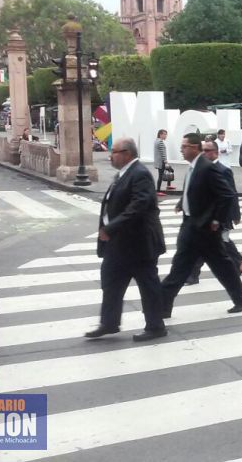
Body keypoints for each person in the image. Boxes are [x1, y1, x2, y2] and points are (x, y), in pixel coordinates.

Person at [161, 133, 242, 315]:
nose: (181, 149)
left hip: (202, 229)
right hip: (192, 226)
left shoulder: (206, 168)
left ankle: (160, 307)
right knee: (218, 266)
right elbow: (195, 193)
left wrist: (216, 219)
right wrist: (183, 204)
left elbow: (227, 195)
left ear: (195, 148)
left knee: (183, 268)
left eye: (185, 146)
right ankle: (241, 298)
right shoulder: (193, 167)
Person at [86, 137, 167, 341]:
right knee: (111, 281)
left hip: (139, 244)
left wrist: (111, 227)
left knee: (148, 285)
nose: (110, 155)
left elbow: (138, 206)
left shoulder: (139, 174)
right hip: (120, 243)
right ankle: (109, 322)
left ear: (127, 154)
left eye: (115, 151)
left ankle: (156, 326)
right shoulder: (123, 174)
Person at [185, 140, 242, 285]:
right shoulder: (201, 169)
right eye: (202, 150)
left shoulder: (224, 170)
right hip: (206, 217)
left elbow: (231, 194)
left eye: (207, 150)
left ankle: (193, 275)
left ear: (215, 152)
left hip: (219, 217)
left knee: (214, 245)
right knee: (217, 244)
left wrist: (235, 214)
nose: (204, 153)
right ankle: (238, 263)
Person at [154, 129, 171, 197]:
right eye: (165, 134)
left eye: (166, 134)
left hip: (159, 161)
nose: (166, 136)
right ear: (160, 134)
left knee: (170, 170)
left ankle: (168, 185)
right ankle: (158, 191)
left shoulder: (156, 140)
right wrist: (166, 162)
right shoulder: (160, 141)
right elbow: (162, 153)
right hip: (161, 162)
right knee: (161, 176)